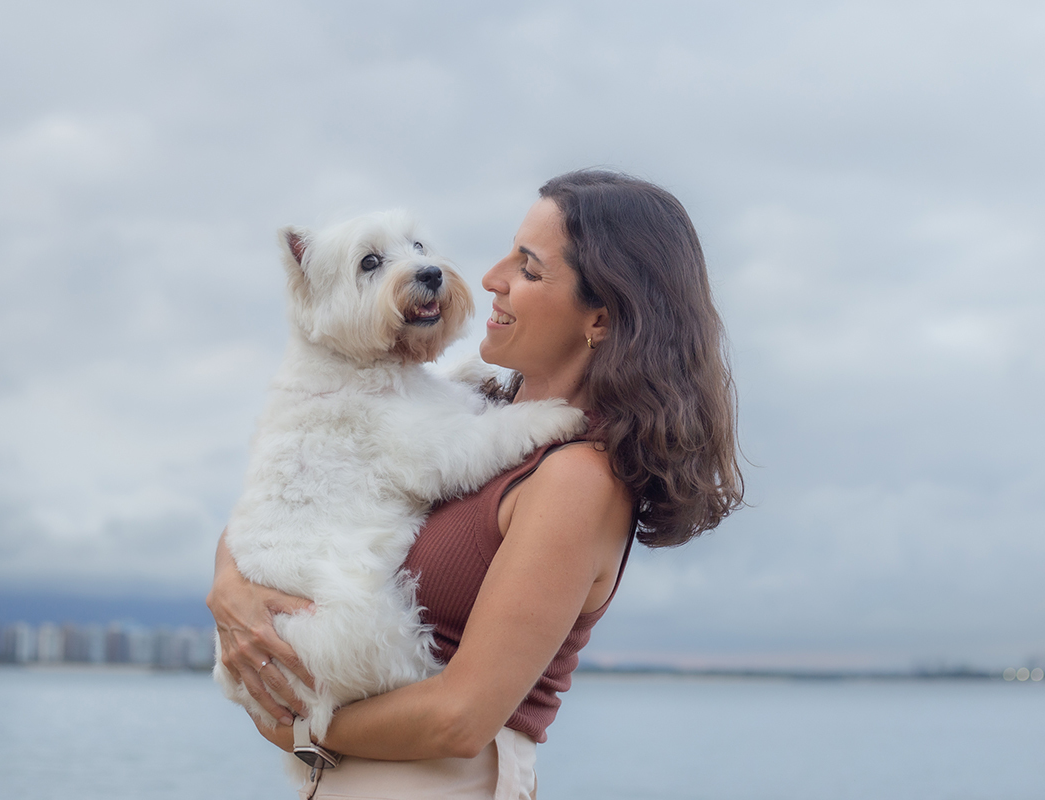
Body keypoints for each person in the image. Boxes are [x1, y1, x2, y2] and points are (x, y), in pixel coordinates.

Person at [207, 169, 743, 798]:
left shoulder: (574, 475)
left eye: (529, 269)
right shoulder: (470, 413)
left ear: (599, 318)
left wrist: (300, 732)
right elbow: (304, 492)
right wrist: (231, 590)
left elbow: (460, 719)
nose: (491, 278)